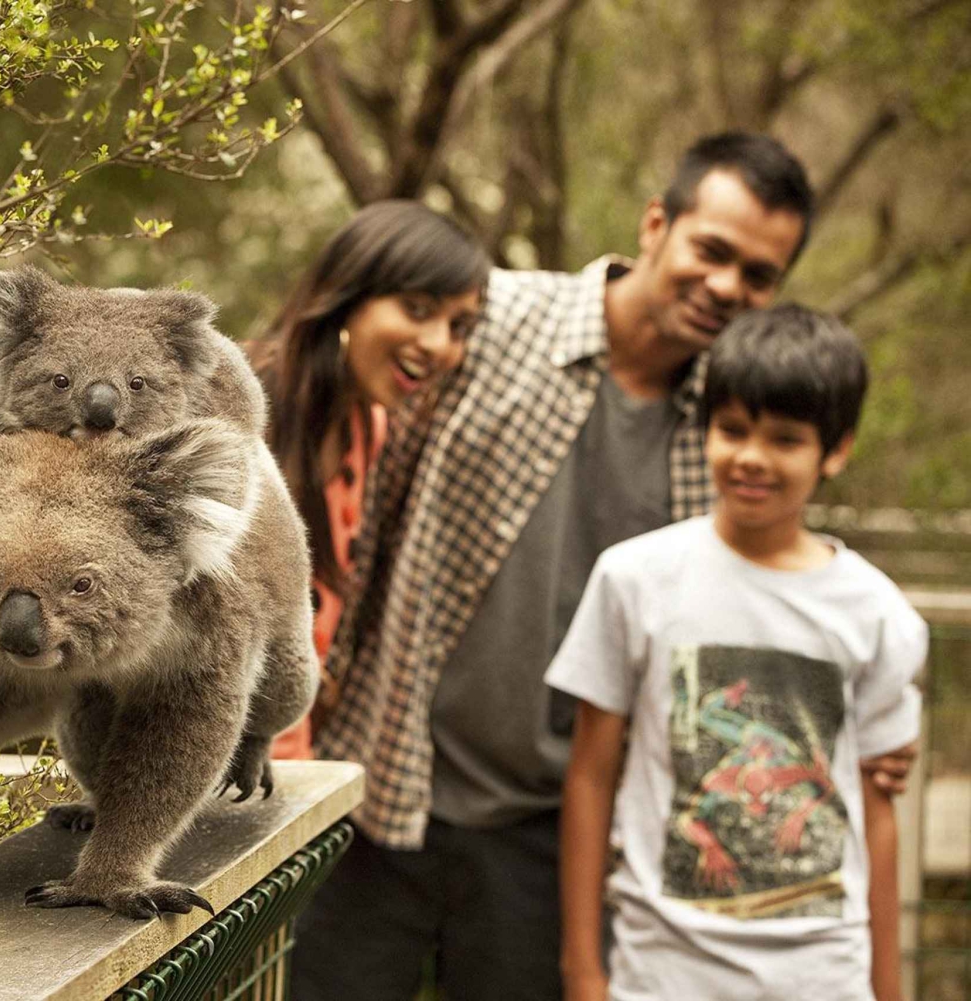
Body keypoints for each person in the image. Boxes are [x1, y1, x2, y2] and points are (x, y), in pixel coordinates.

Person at [291, 132, 917, 1001]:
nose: (729, 286)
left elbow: (769, 596)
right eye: (713, 250)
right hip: (384, 778)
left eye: (760, 275)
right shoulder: (492, 318)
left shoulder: (733, 422)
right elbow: (332, 431)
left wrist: (871, 727)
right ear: (657, 223)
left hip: (554, 835)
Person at [549, 304, 923, 1001]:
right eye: (733, 429)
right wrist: (584, 972)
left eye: (785, 439)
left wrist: (888, 988)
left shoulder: (876, 612)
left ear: (835, 451)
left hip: (822, 974)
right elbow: (591, 776)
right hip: (661, 969)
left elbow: (876, 812)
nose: (751, 456)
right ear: (706, 428)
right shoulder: (634, 578)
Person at [248, 200, 490, 759]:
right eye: (417, 309)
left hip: (286, 770)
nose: (438, 345)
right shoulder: (241, 409)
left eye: (459, 326)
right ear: (346, 295)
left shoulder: (368, 426)